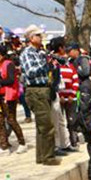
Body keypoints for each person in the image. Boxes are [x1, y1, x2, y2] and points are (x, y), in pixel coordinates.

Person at [19, 25, 59, 165]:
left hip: (44, 89)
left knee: (41, 125)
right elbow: (30, 71)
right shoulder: (27, 53)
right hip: (36, 91)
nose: (41, 38)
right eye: (38, 36)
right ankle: (48, 157)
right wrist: (45, 63)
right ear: (31, 38)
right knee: (47, 126)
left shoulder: (39, 52)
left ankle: (41, 156)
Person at [0, 44, 28, 156]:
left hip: (8, 97)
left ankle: (22, 143)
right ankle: (4, 146)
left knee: (11, 120)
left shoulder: (9, 64)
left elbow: (11, 80)